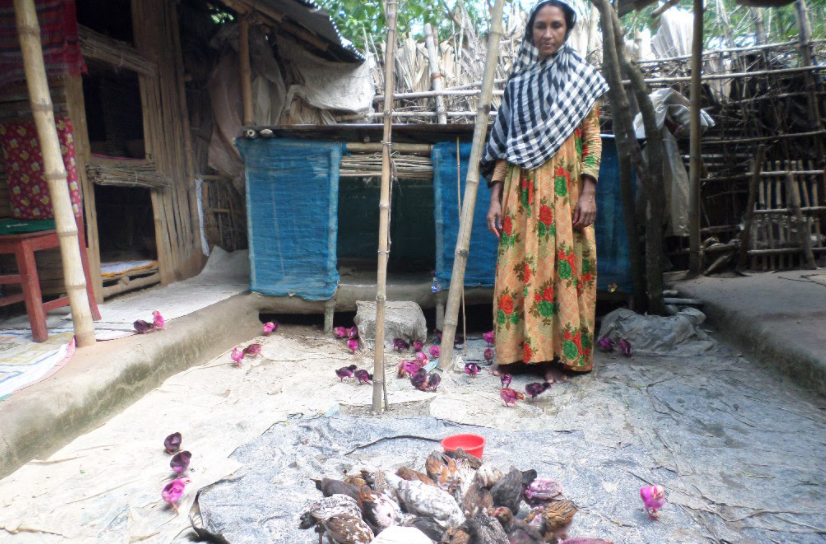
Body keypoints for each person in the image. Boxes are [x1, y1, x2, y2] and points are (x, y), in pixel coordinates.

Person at [482, 0, 608, 381]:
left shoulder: (583, 80)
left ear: (567, 29)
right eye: (540, 26)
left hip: (565, 192)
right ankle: (517, 353)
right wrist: (495, 196)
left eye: (556, 25)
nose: (548, 33)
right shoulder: (518, 86)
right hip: (522, 193)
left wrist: (587, 192)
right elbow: (505, 147)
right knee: (519, 269)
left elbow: (592, 140)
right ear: (531, 31)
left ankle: (556, 356)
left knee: (561, 270)